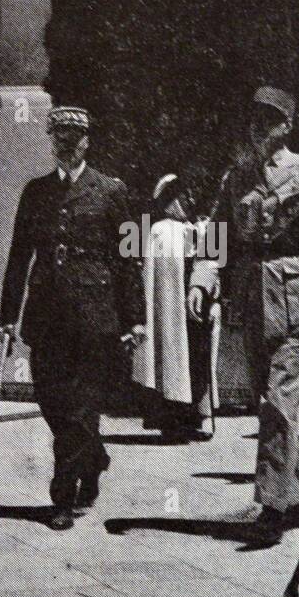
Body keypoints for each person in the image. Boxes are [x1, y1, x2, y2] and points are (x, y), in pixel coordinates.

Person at [188, 86, 299, 545]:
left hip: (297, 300)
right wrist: (202, 278)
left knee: (278, 403)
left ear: (288, 126)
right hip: (253, 302)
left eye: (271, 118)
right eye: (255, 117)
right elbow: (216, 234)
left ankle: (272, 506)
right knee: (271, 403)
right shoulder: (236, 177)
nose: (260, 126)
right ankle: (294, 502)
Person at [0, 106, 144, 530]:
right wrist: (9, 315)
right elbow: (19, 255)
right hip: (46, 315)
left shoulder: (113, 191)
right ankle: (94, 455)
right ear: (52, 141)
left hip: (96, 316)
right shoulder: (35, 192)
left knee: (80, 406)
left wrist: (134, 319)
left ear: (87, 142)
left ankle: (61, 498)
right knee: (52, 400)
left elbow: (129, 259)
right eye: (58, 136)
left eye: (73, 137)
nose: (65, 144)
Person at [132, 174, 218, 443]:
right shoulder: (158, 230)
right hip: (170, 312)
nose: (187, 202)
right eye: (180, 197)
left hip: (198, 308)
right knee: (171, 359)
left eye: (189, 196)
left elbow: (217, 265)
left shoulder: (205, 228)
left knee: (199, 359)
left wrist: (215, 299)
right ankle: (171, 420)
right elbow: (149, 275)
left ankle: (200, 415)